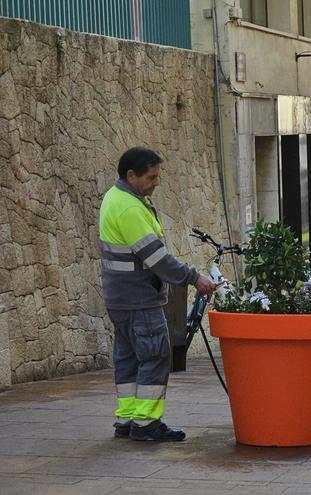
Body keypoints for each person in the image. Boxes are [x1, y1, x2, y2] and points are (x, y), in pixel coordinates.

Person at [100, 147, 218, 442]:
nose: (157, 182)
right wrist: (194, 278)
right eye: (151, 177)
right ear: (131, 175)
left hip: (120, 299)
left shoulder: (116, 198)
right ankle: (146, 424)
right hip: (139, 300)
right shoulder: (129, 208)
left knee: (128, 359)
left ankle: (126, 420)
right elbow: (157, 259)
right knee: (155, 356)